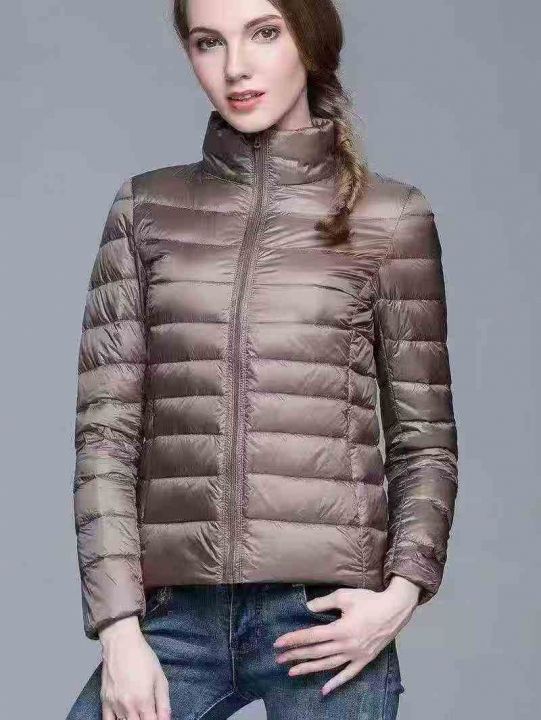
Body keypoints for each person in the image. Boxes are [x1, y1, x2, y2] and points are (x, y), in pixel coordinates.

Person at [66, 1, 459, 718]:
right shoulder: (145, 209)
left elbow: (424, 440)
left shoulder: (390, 218)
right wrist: (119, 629)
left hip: (326, 621)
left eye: (264, 33)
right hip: (173, 616)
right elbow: (106, 439)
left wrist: (401, 594)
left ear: (309, 38)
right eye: (208, 42)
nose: (236, 67)